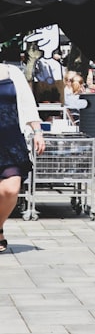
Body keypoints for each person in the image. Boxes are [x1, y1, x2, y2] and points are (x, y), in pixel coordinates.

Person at [0, 52, 45, 254]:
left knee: (11, 188)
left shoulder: (12, 72)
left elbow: (27, 104)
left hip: (10, 141)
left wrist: (37, 131)